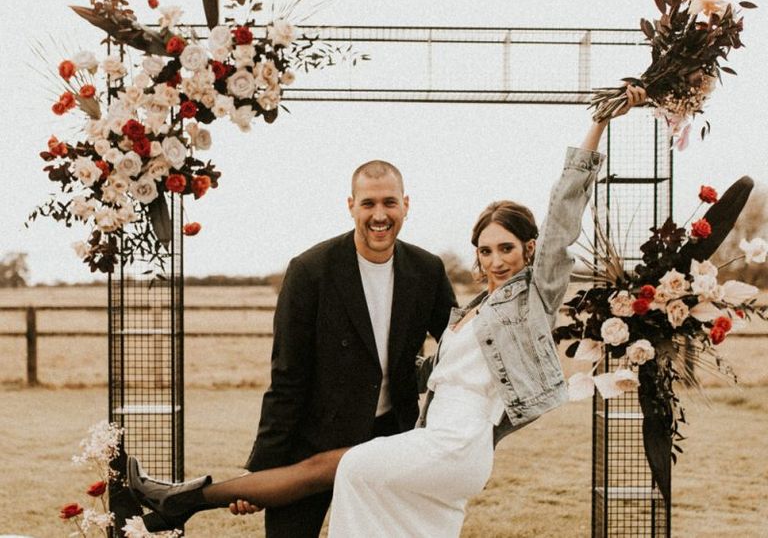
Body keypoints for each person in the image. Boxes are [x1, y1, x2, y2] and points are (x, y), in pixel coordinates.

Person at [127, 85, 646, 536]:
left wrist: (596, 126)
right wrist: (262, 473)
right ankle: (179, 504)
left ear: (529, 251)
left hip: (451, 443)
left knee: (335, 467)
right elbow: (298, 376)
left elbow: (562, 219)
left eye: (507, 249)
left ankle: (184, 500)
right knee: (332, 474)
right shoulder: (469, 309)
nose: (496, 261)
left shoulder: (528, 299)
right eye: (486, 250)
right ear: (351, 205)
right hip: (416, 435)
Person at [242, 159, 457, 536]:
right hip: (310, 443)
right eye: (368, 203)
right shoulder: (310, 271)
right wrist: (262, 470)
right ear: (351, 206)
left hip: (391, 442)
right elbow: (287, 375)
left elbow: (459, 347)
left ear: (406, 204)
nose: (379, 215)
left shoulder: (428, 270)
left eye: (389, 203)